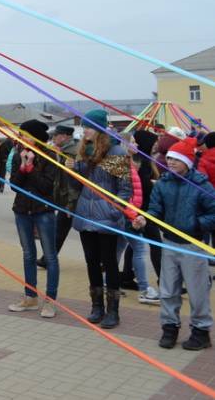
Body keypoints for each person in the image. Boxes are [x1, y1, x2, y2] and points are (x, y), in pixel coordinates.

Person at [133, 137, 215, 350]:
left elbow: (213, 212)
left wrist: (196, 224)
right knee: (168, 290)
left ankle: (201, 332)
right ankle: (169, 328)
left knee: (197, 292)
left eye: (175, 160)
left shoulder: (201, 184)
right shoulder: (163, 184)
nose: (169, 163)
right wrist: (145, 218)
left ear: (187, 162)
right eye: (168, 158)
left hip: (193, 245)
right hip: (168, 244)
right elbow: (155, 209)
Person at [71, 109, 132, 329]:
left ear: (98, 129)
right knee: (91, 261)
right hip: (86, 215)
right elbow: (79, 186)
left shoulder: (115, 152)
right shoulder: (84, 152)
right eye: (83, 127)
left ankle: (112, 310)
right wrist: (73, 171)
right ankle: (96, 306)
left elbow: (125, 188)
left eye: (88, 126)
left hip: (107, 217)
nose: (84, 130)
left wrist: (116, 211)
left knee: (109, 263)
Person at [7, 120, 60, 318]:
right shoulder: (17, 153)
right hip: (22, 210)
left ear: (35, 136)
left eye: (25, 134)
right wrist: (22, 166)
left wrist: (32, 167)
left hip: (43, 210)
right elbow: (14, 184)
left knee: (50, 255)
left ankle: (50, 300)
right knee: (28, 253)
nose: (21, 138)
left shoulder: (49, 155)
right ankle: (30, 297)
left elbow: (46, 186)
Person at [115, 132, 157, 304]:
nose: (137, 145)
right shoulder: (122, 165)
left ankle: (107, 283)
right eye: (133, 142)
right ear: (125, 145)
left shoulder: (128, 164)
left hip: (129, 214)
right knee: (139, 250)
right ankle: (145, 289)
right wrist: (133, 215)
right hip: (127, 215)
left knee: (117, 249)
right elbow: (123, 195)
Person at [38, 124, 79, 267]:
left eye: (56, 135)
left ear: (66, 136)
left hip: (70, 199)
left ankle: (47, 259)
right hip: (64, 197)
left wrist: (70, 203)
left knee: (60, 230)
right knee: (60, 230)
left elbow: (71, 181)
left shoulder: (72, 153)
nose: (53, 138)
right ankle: (47, 258)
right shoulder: (63, 150)